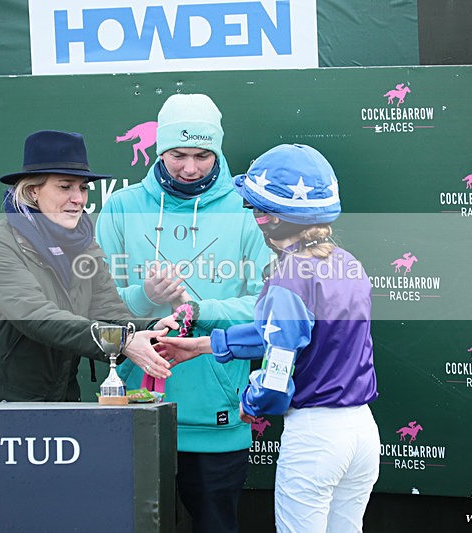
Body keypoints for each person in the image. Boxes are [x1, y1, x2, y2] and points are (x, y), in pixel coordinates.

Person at [157, 144, 381, 533]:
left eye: (254, 209)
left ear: (270, 219)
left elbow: (277, 375)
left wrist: (252, 401)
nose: (253, 217)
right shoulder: (347, 262)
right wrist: (202, 345)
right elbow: (288, 334)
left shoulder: (289, 274)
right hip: (362, 433)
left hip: (316, 437)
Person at [96, 94, 269, 533]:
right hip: (136, 411)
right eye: (178, 155)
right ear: (159, 150)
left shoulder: (247, 209)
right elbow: (94, 306)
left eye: (202, 155)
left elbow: (267, 305)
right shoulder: (121, 207)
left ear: (218, 152)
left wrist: (199, 309)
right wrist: (144, 296)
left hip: (218, 416)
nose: (190, 168)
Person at [0, 130, 174, 402]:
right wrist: (125, 342)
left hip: (62, 402)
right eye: (65, 186)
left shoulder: (85, 245)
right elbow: (38, 317)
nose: (78, 198)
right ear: (33, 191)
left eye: (82, 188)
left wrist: (153, 329)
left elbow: (109, 313)